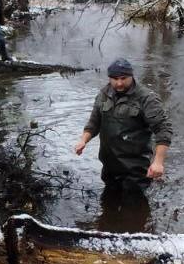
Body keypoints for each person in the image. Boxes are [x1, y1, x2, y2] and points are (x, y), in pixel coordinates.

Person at [74, 58, 173, 193]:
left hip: (135, 168)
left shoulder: (146, 98)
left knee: (134, 207)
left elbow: (163, 129)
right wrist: (83, 140)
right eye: (115, 79)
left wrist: (158, 162)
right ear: (109, 78)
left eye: (123, 78)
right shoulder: (103, 94)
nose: (119, 83)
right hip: (109, 164)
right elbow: (94, 122)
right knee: (109, 202)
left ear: (131, 76)